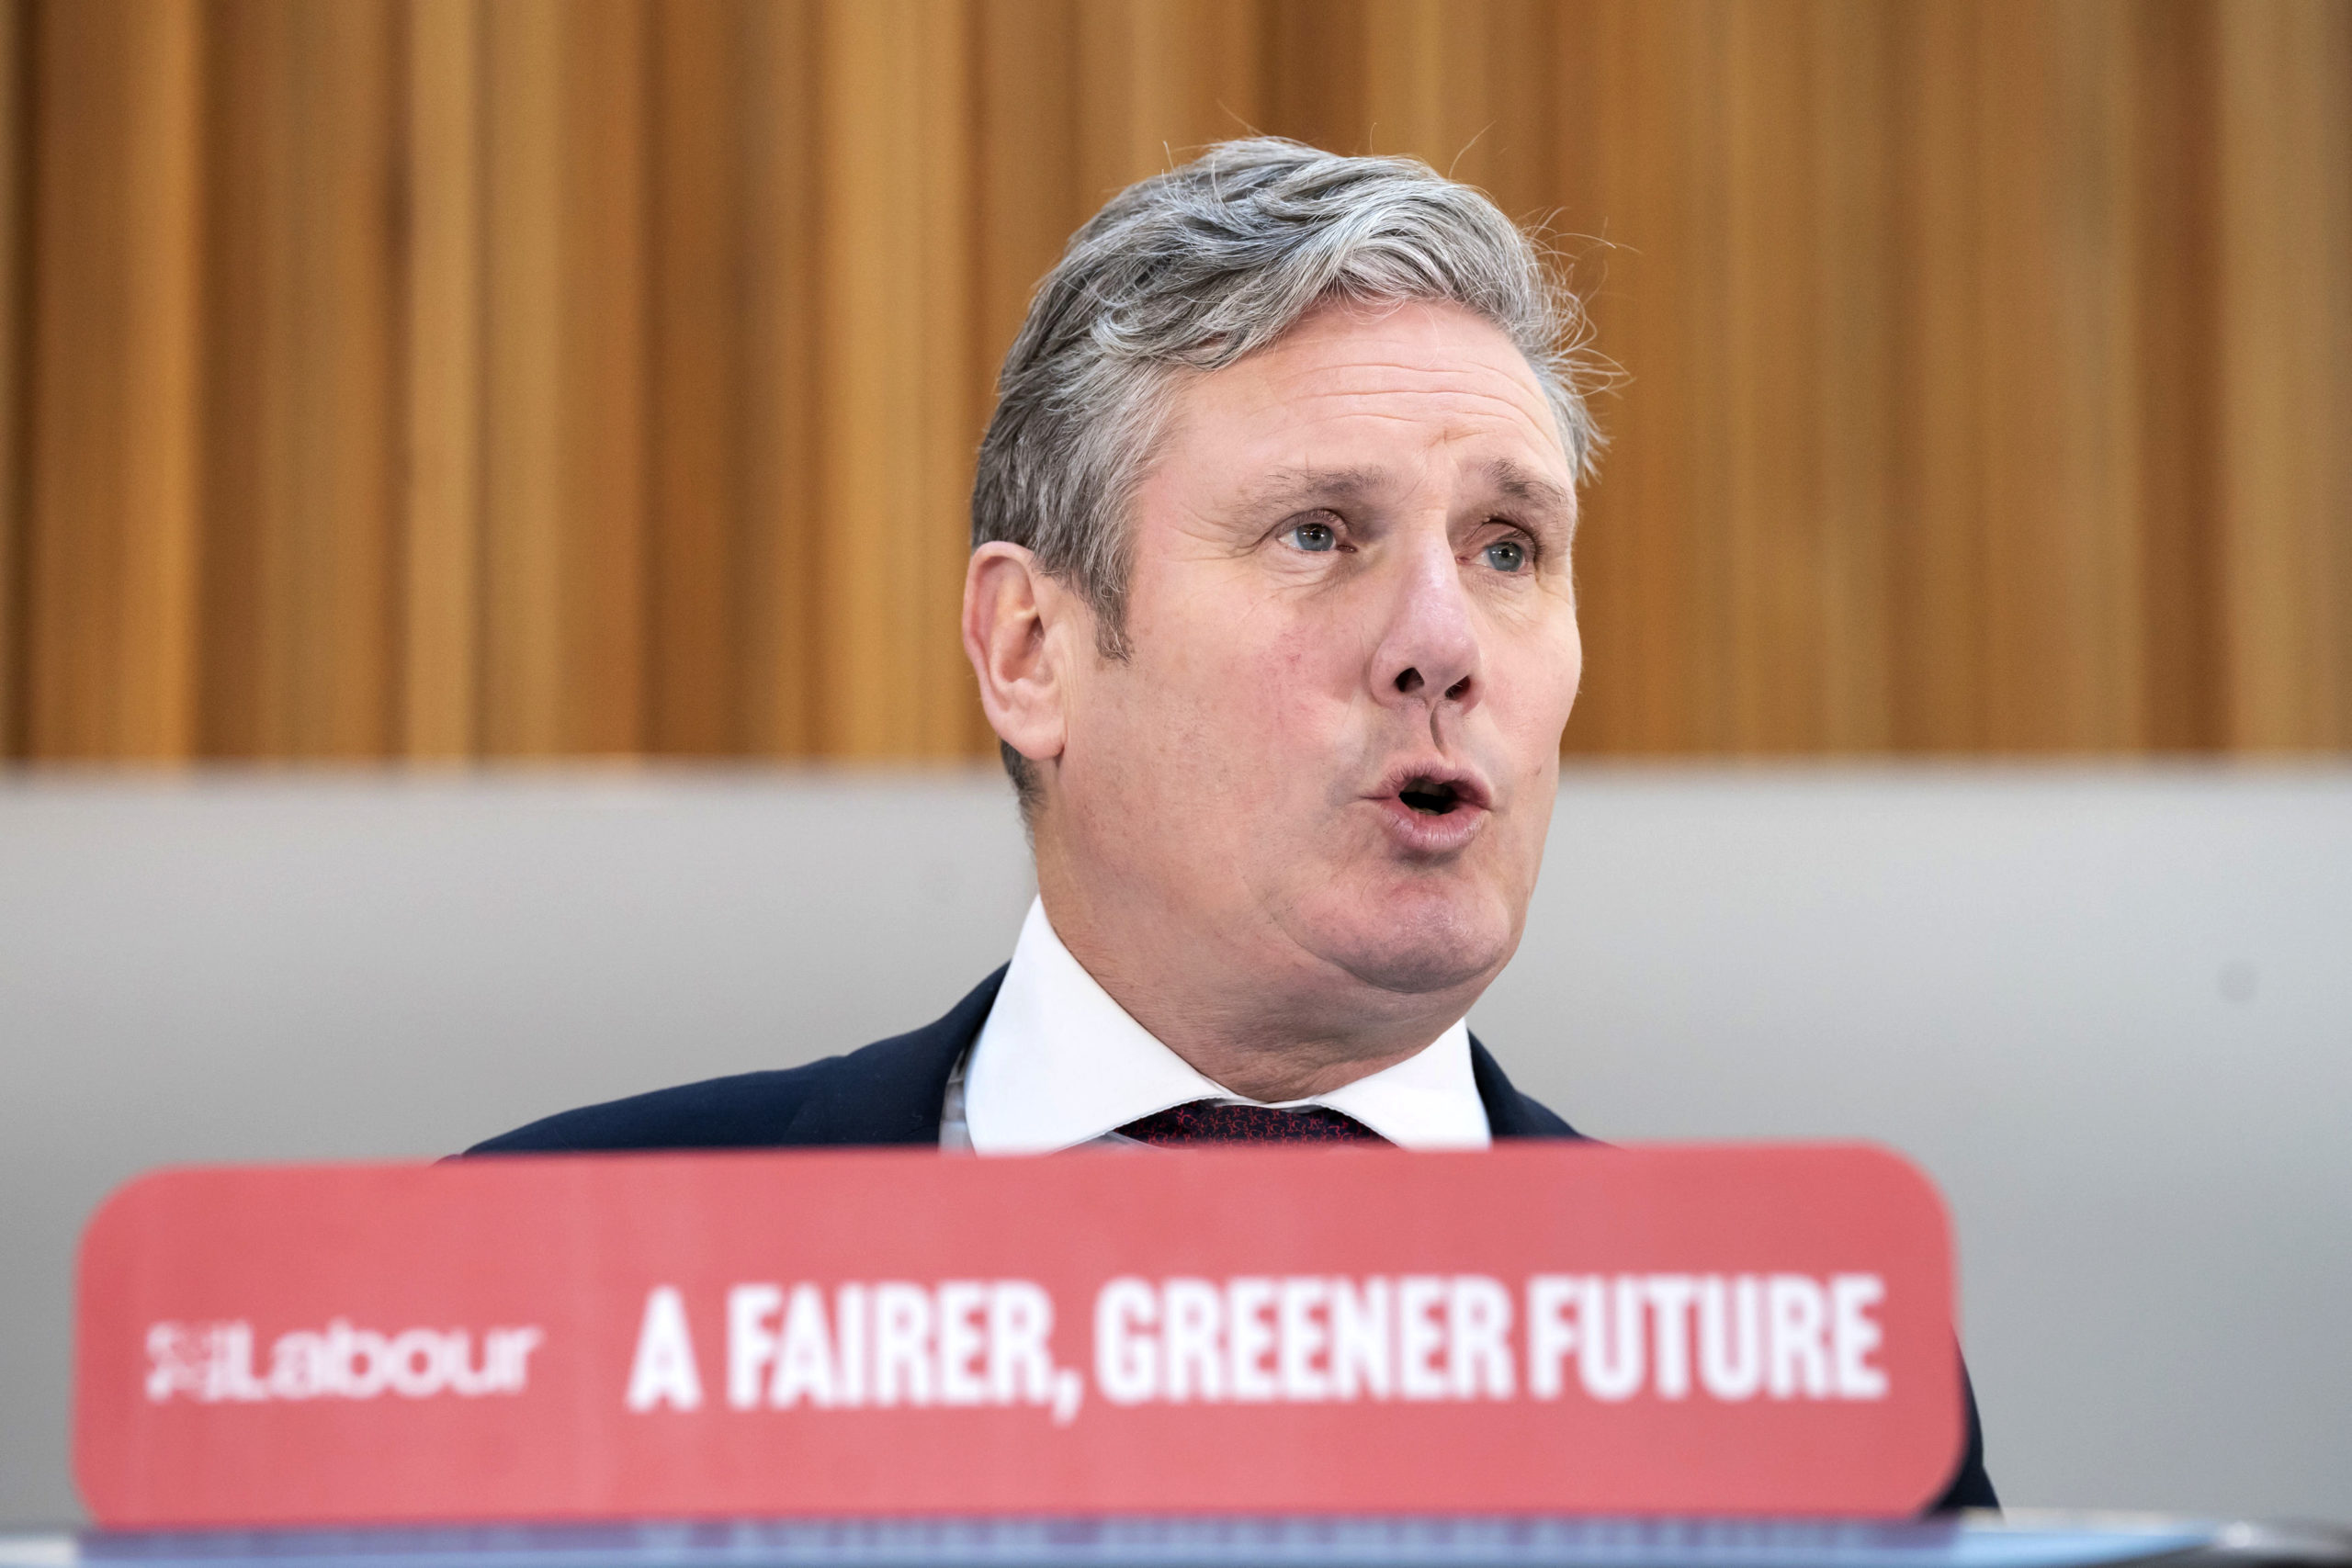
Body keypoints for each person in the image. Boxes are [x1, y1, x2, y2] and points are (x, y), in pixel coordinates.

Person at [469, 139, 1993, 1510]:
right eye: (1318, 534)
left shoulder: (1798, 1387)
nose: (1442, 642)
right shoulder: (533, 1283)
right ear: (1031, 652)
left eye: (1509, 546)